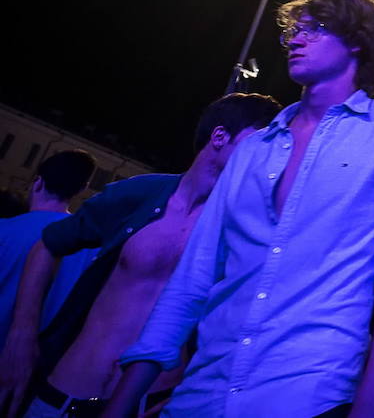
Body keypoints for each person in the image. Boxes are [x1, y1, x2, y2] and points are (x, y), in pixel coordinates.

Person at [107, 0, 374, 418]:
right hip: (203, 393)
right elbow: (195, 275)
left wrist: (371, 401)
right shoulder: (252, 149)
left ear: (357, 41)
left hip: (310, 393)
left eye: (314, 29)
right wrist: (125, 398)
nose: (296, 40)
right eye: (293, 32)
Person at [0, 94, 278, 418]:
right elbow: (49, 244)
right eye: (260, 141)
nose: (268, 156)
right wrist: (21, 335)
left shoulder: (242, 228)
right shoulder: (141, 193)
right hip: (62, 394)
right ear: (219, 137)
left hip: (151, 404)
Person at [0, 150, 96, 332]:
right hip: (41, 355)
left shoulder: (4, 229)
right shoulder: (90, 246)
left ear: (38, 182)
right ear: (82, 189)